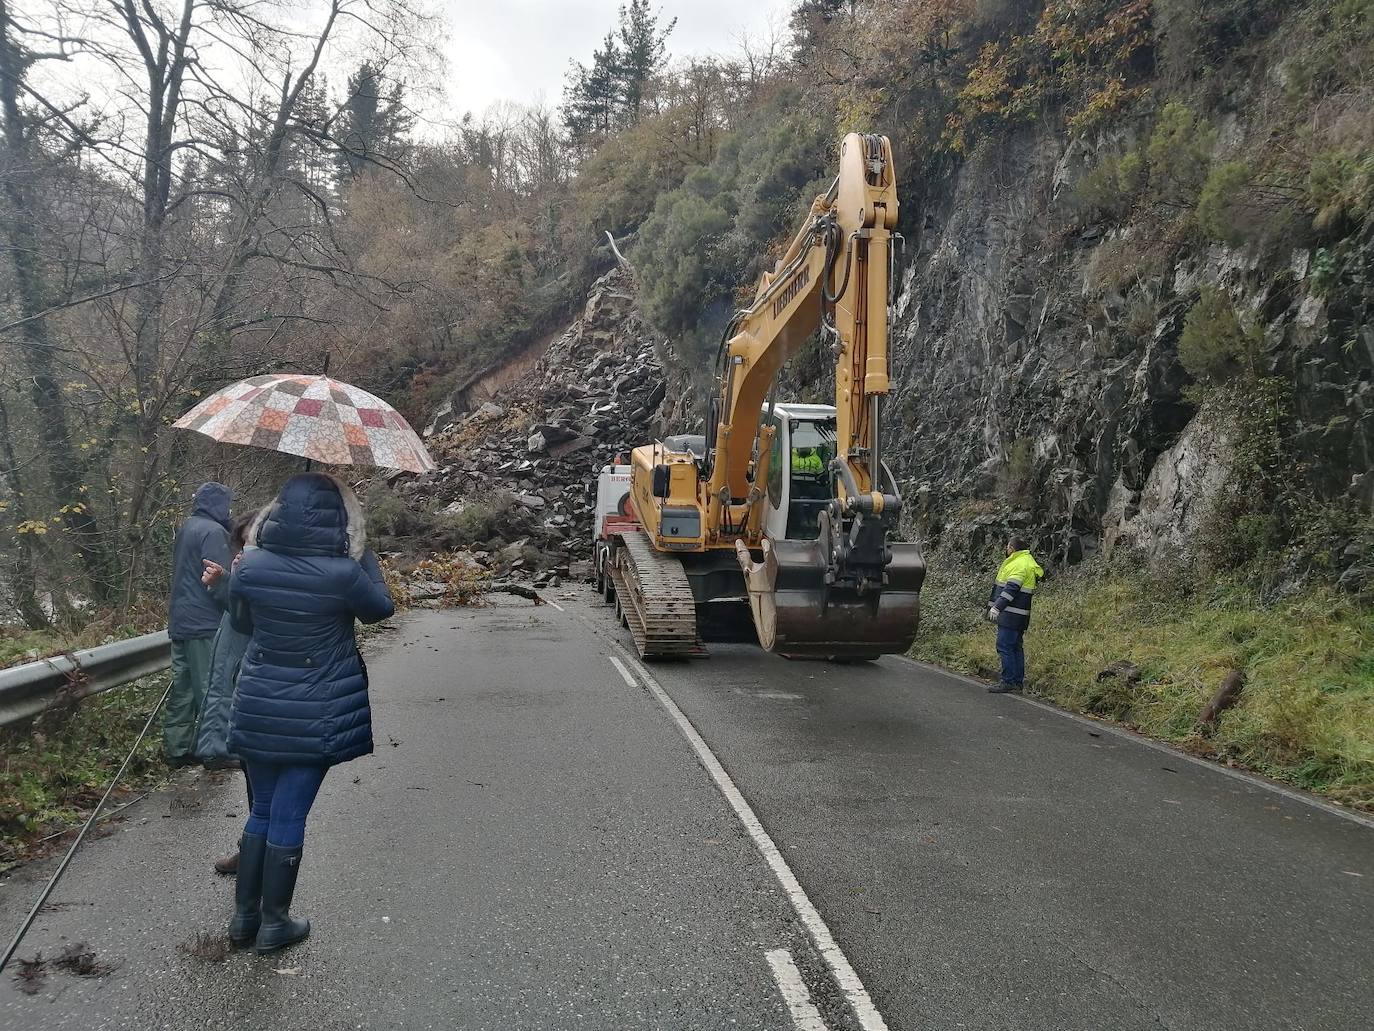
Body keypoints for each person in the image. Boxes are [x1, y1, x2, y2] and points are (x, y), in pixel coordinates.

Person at [225, 473, 395, 954]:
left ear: (274, 516)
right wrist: (364, 556)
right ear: (340, 521)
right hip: (317, 709)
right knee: (289, 814)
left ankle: (243, 920)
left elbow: (239, 622)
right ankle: (275, 924)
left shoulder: (251, 566)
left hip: (257, 702)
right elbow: (381, 609)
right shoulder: (344, 573)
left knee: (261, 807)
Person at [196, 511, 262, 875]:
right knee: (253, 777)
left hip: (255, 690)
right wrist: (226, 582)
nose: (245, 549)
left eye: (254, 541)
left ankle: (257, 859)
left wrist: (237, 580)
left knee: (261, 781)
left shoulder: (273, 576)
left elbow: (253, 620)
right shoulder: (248, 571)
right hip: (240, 686)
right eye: (243, 543)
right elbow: (239, 617)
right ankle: (252, 849)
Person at [165, 482, 233, 767]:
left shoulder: (187, 527)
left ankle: (177, 750)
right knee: (210, 687)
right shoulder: (214, 532)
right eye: (227, 503)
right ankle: (213, 751)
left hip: (180, 619)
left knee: (183, 688)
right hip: (205, 621)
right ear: (218, 504)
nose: (230, 509)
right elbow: (216, 580)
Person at [986, 535, 1045, 694]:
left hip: (1010, 615)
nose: (1006, 549)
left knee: (1004, 646)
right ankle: (1017, 682)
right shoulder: (1026, 561)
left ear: (1012, 548)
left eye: (1007, 546)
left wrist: (997, 607)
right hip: (1020, 615)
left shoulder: (1018, 564)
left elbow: (1011, 588)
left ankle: (1008, 681)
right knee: (1016, 647)